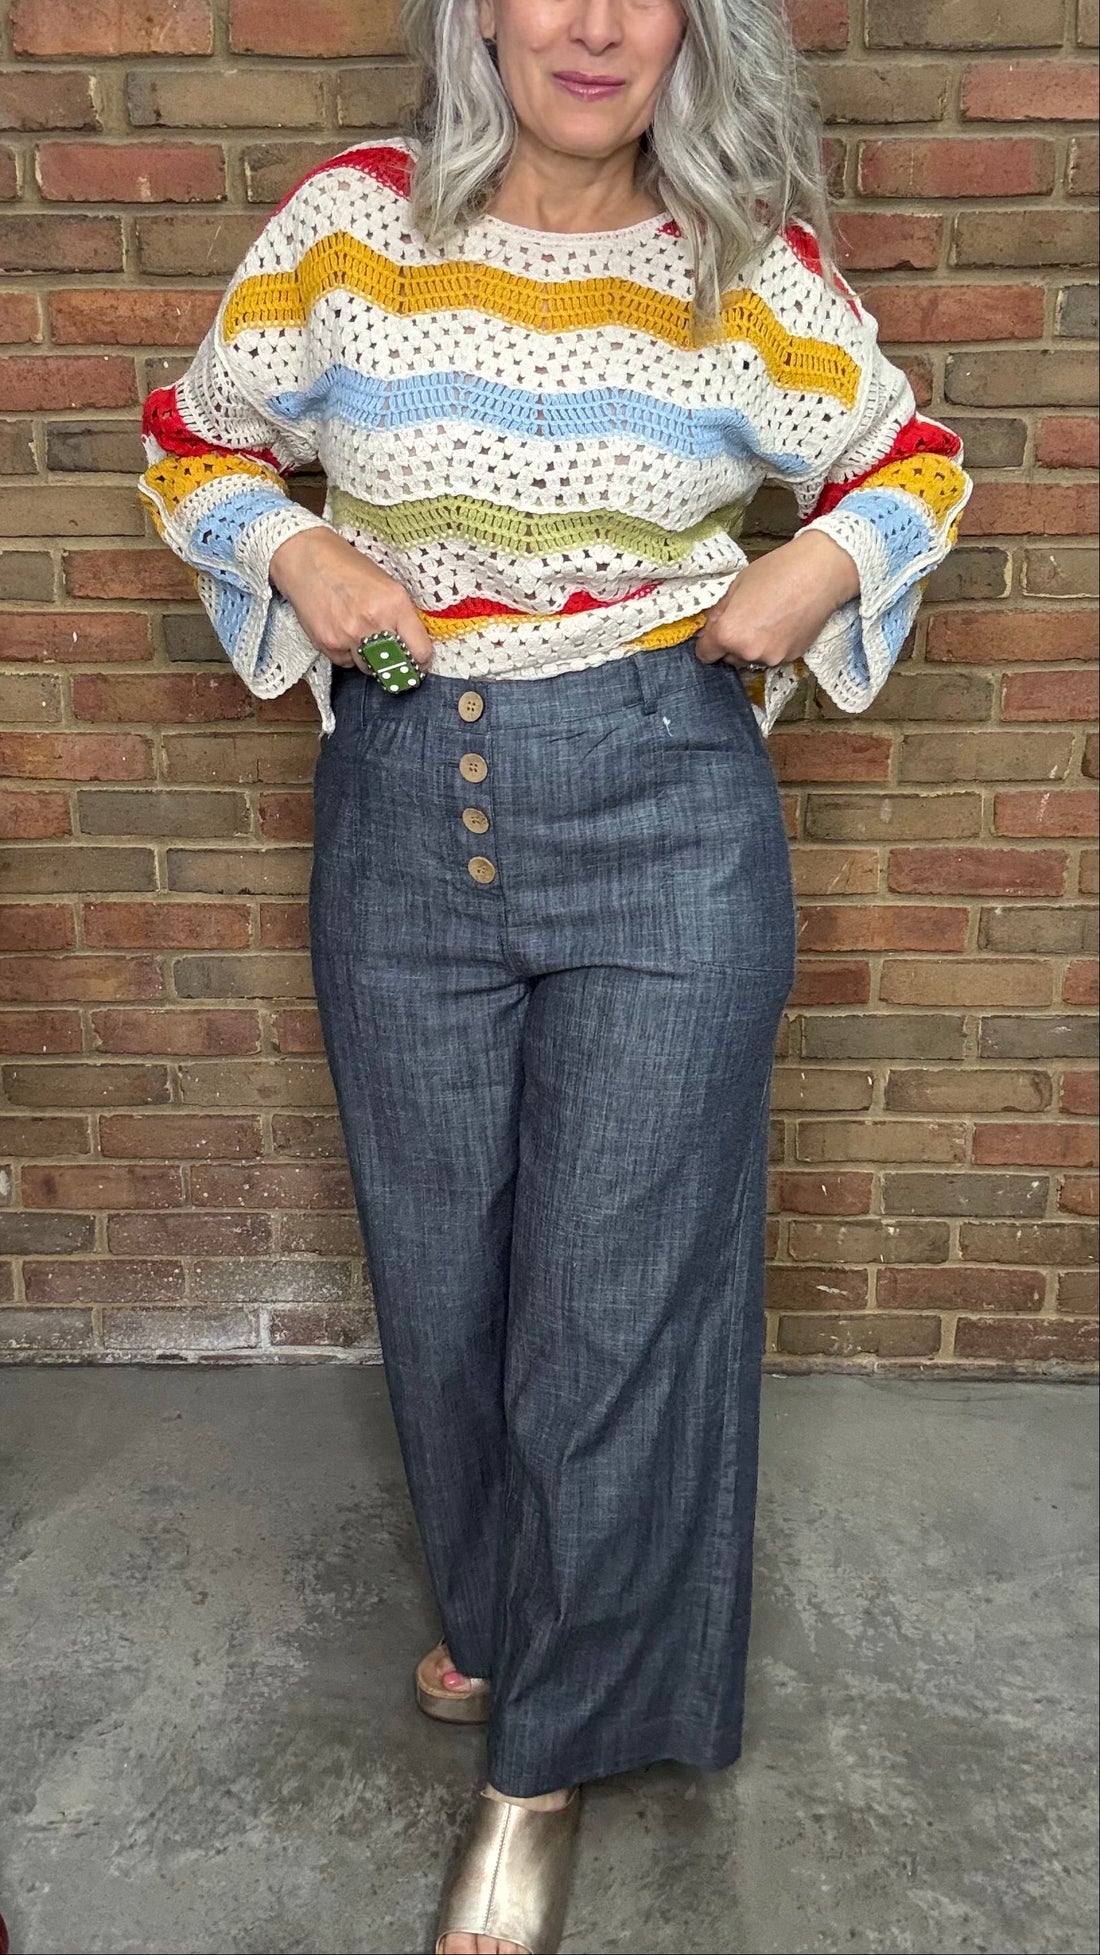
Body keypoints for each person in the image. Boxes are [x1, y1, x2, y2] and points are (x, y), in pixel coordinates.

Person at [138, 2, 970, 1948]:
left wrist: (816, 570)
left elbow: (909, 451)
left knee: (610, 1293)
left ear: (694, 29)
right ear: (481, 15)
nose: (592, 19)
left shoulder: (735, 260)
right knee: (445, 1271)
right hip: (405, 792)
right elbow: (190, 432)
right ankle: (517, 1624)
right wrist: (298, 557)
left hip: (663, 800)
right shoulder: (350, 230)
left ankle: (540, 1769)